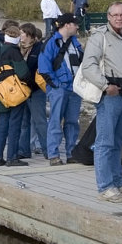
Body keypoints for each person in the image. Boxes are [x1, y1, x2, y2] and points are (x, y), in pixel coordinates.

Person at [80, 1, 122, 203]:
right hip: (110, 97)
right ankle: (105, 187)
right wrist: (106, 86)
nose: (119, 18)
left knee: (118, 142)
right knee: (104, 144)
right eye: (114, 15)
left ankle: (118, 182)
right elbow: (88, 66)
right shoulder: (100, 37)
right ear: (108, 17)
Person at [38, 13, 83, 166]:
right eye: (75, 24)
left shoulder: (75, 43)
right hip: (59, 88)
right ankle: (53, 155)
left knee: (72, 122)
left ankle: (72, 153)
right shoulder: (51, 42)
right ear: (67, 25)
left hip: (75, 89)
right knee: (55, 121)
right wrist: (56, 85)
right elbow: (44, 67)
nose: (77, 26)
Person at [0, 25, 31, 167]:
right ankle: (12, 157)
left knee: (2, 125)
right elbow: (23, 73)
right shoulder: (14, 52)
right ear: (17, 38)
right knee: (15, 125)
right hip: (13, 93)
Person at [17, 23, 46, 159]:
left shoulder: (39, 48)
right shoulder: (20, 49)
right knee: (24, 122)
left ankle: (48, 150)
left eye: (22, 33)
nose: (20, 36)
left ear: (29, 35)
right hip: (22, 90)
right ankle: (24, 150)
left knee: (40, 121)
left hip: (35, 90)